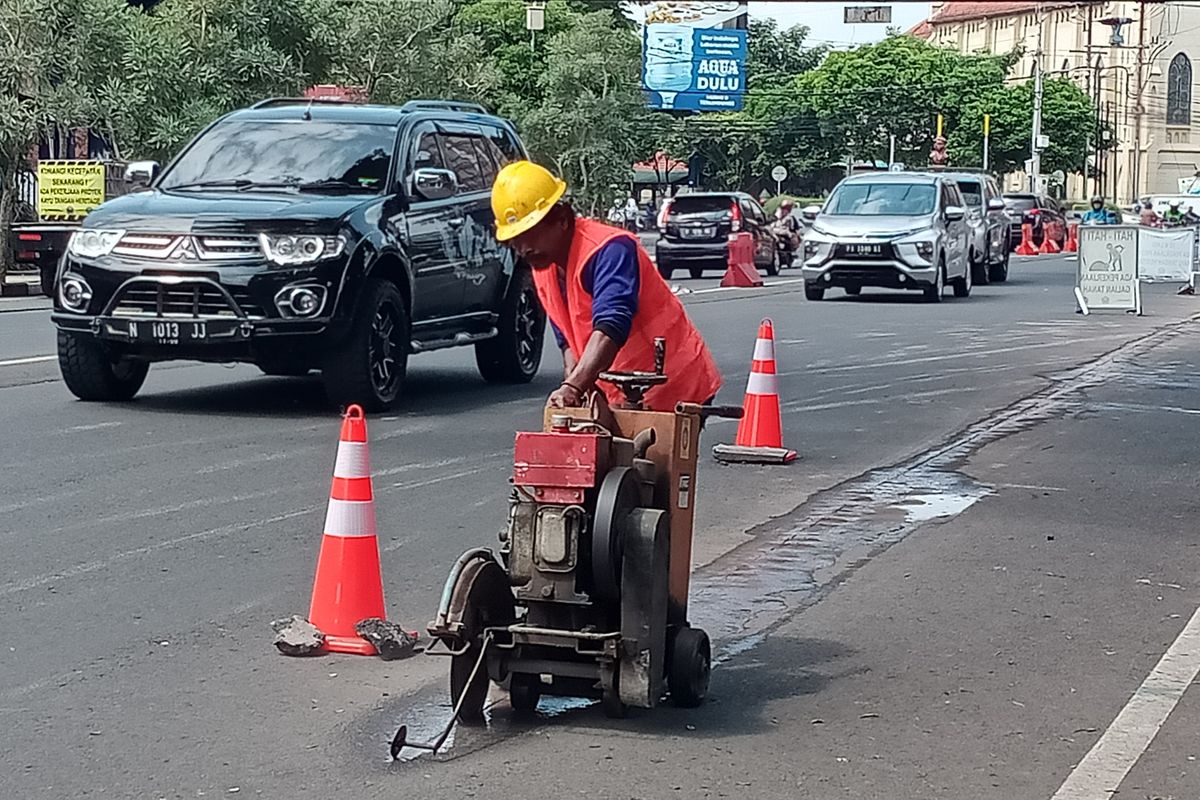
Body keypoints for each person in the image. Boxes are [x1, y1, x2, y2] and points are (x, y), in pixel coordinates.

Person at [490, 160, 722, 412]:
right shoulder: (544, 266)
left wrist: (573, 387)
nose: (524, 249)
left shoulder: (609, 250)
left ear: (562, 220)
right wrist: (574, 388)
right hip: (621, 393)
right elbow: (568, 340)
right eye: (516, 240)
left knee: (654, 440)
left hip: (674, 383)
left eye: (531, 235)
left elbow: (612, 325)